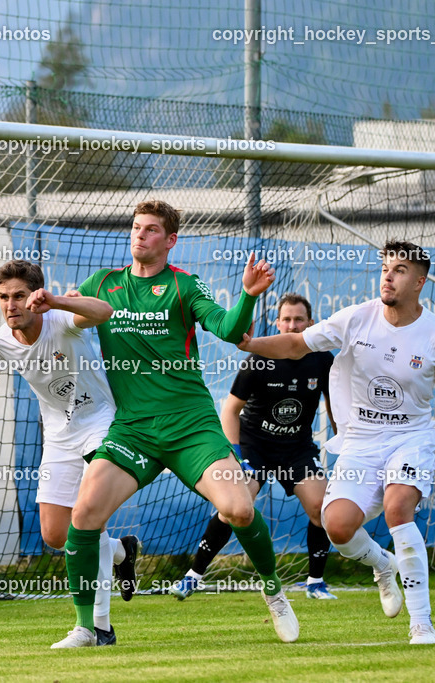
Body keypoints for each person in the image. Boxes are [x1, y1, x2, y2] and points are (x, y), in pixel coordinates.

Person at [236, 239, 435, 645]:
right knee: (338, 527)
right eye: (385, 267)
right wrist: (249, 344)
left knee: (400, 508)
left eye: (399, 270)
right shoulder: (356, 319)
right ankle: (383, 565)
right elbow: (296, 344)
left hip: (411, 439)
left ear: (419, 282)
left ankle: (422, 624)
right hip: (360, 443)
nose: (388, 275)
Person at [52, 199, 298, 648]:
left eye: (150, 229)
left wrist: (247, 294)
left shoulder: (184, 286)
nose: (139, 235)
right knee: (84, 515)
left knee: (239, 509)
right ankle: (86, 627)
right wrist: (41, 303)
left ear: (170, 240)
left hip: (191, 427)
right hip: (133, 429)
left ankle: (274, 589)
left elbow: (228, 330)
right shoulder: (103, 284)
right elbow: (63, 319)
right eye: (136, 228)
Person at [0, 259, 138, 646]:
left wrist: (60, 301)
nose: (10, 304)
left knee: (88, 519)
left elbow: (103, 311)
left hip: (101, 424)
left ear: (34, 295)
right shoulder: (5, 339)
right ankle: (120, 551)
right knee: (55, 534)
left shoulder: (60, 319)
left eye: (18, 295)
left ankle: (98, 627)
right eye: (3, 297)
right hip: (59, 438)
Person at [171, 293, 339, 601]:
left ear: (311, 323)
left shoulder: (323, 359)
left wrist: (345, 441)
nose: (292, 325)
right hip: (254, 446)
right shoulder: (260, 358)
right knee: (236, 504)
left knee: (321, 506)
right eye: (286, 319)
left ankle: (315, 582)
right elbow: (230, 410)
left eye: (298, 319)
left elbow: (334, 407)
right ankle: (193, 575)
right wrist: (236, 454)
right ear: (277, 324)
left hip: (295, 449)